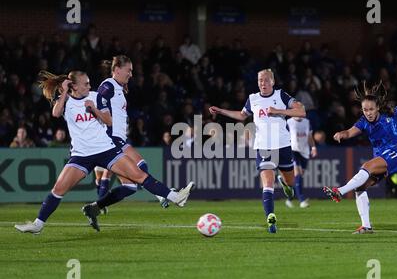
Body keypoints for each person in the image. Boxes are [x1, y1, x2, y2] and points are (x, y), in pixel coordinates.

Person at [14, 70, 194, 234]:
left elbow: (108, 120)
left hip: (105, 150)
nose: (89, 86)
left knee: (138, 175)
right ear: (74, 86)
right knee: (58, 189)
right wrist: (63, 93)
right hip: (81, 155)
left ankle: (176, 197)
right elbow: (55, 113)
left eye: (89, 82)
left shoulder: (96, 97)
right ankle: (38, 224)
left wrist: (94, 109)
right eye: (85, 83)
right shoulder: (66, 101)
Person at [209, 69, 306, 233]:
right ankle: (271, 218)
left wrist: (278, 111)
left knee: (290, 183)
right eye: (260, 80)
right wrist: (221, 111)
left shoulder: (281, 96)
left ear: (273, 82)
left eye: (267, 80)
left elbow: (301, 112)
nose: (263, 83)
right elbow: (241, 115)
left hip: (283, 146)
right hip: (263, 147)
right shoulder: (253, 99)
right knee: (267, 183)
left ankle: (285, 184)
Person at [323, 81, 397, 234]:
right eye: (365, 109)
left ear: (377, 107)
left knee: (366, 166)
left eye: (371, 109)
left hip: (396, 152)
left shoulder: (391, 111)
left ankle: (339, 191)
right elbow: (349, 132)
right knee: (360, 188)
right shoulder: (363, 122)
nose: (368, 112)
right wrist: (341, 134)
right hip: (381, 157)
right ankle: (366, 226)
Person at [90, 55, 168, 209]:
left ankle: (96, 206)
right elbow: (99, 99)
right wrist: (99, 113)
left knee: (130, 186)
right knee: (136, 166)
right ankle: (161, 194)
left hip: (118, 137)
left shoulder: (118, 87)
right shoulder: (109, 84)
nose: (131, 75)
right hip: (111, 138)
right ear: (117, 69)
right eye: (129, 71)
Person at [283, 117, 317, 208]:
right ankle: (302, 200)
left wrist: (313, 148)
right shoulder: (289, 122)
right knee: (298, 174)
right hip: (293, 150)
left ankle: (290, 198)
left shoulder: (306, 122)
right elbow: (283, 136)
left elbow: (309, 136)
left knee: (299, 177)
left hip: (304, 151)